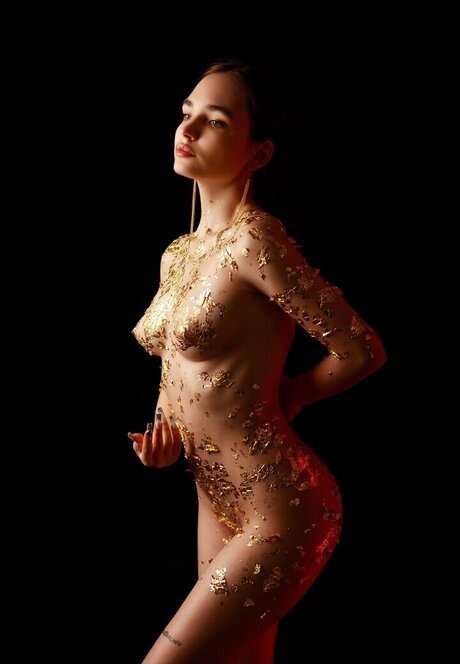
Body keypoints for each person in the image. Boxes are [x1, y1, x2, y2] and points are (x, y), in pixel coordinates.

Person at [129, 59, 386, 664]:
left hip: (282, 507)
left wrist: (290, 396)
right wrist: (165, 440)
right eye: (186, 113)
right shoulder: (178, 254)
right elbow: (177, 369)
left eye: (215, 120)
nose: (188, 129)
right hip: (213, 498)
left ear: (259, 152)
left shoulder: (255, 242)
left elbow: (361, 350)